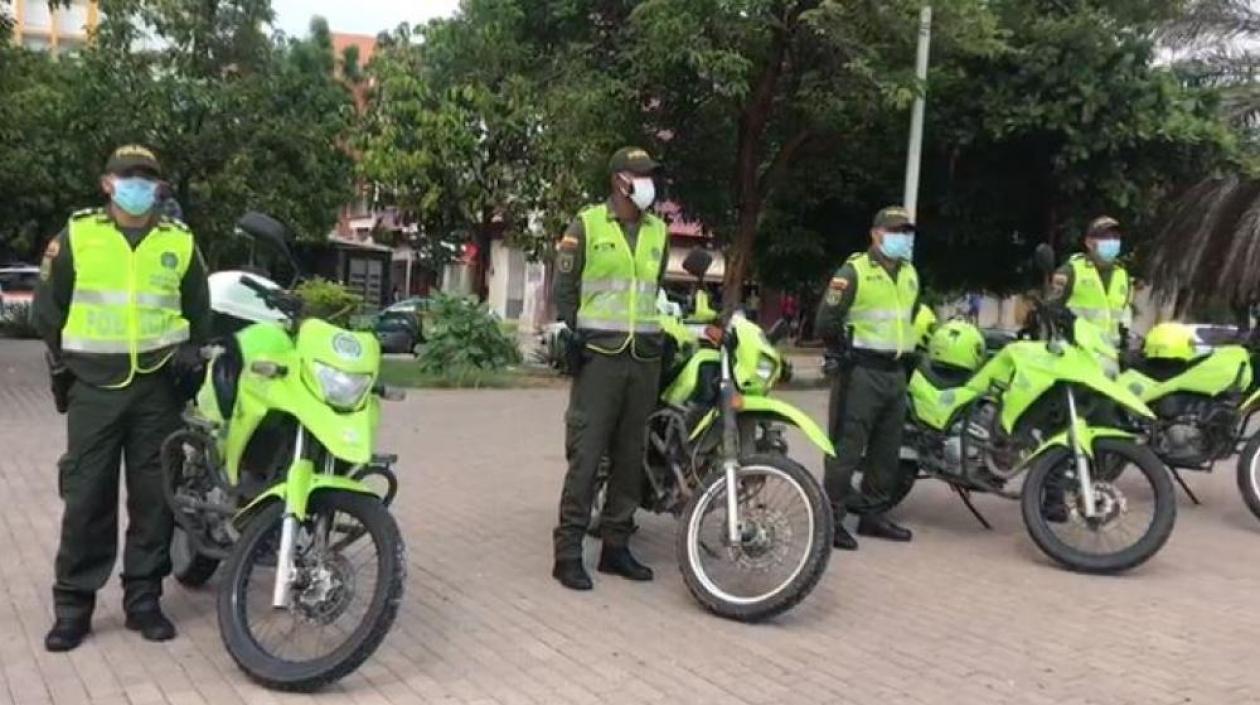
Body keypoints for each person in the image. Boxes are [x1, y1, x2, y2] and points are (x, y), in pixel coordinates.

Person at [33, 145, 211, 651]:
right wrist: (66, 365)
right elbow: (49, 308)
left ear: (159, 188)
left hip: (157, 388)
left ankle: (143, 601)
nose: (137, 185)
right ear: (107, 183)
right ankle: (73, 607)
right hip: (94, 388)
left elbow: (199, 310)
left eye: (147, 178)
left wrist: (192, 355)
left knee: (154, 499)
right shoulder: (79, 236)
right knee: (86, 497)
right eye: (127, 176)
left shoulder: (178, 241)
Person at [550, 146, 670, 590]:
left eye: (650, 176)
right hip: (599, 357)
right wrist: (569, 336)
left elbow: (652, 289)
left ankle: (616, 546)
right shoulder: (587, 224)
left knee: (630, 457)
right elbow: (565, 287)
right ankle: (567, 553)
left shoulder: (660, 232)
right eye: (641, 176)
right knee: (587, 455)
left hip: (644, 359)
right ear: (620, 180)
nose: (648, 185)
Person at [815, 206, 920, 550]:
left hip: (895, 373)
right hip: (860, 371)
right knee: (846, 448)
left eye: (906, 231)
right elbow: (826, 319)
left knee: (887, 450)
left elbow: (911, 318)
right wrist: (842, 352)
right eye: (895, 231)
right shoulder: (854, 272)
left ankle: (873, 515)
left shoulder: (909, 274)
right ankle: (831, 518)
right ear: (876, 234)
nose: (902, 237)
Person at [1049, 215, 1132, 348]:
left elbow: (1123, 318)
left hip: (1110, 357)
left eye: (1115, 237)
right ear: (1089, 242)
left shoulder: (1122, 275)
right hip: (1076, 353)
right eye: (1105, 237)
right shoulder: (1071, 272)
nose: (1112, 242)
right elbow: (1051, 311)